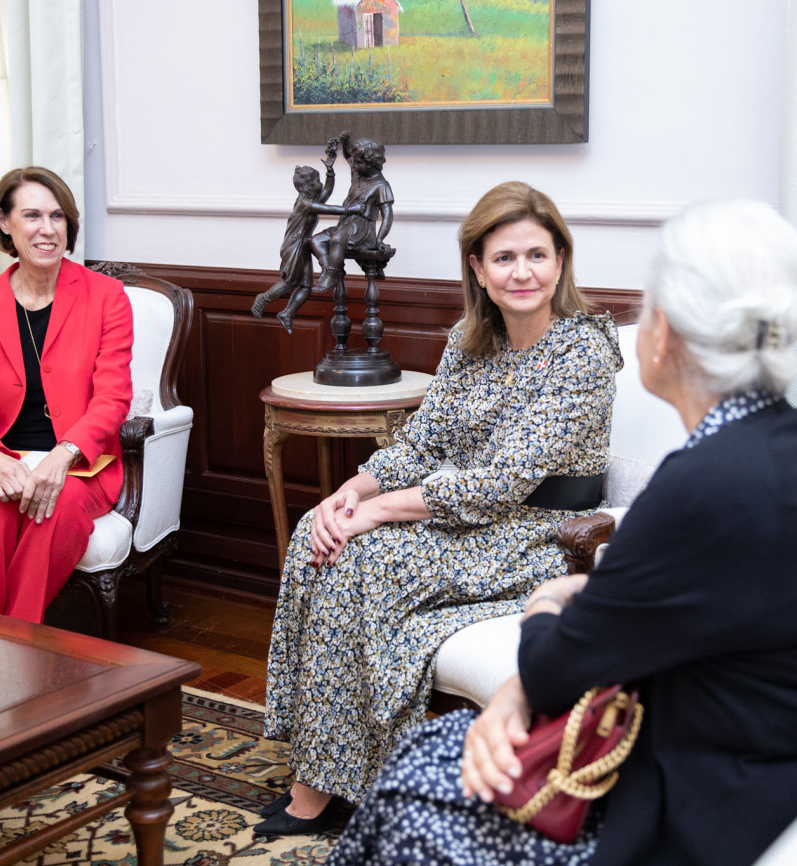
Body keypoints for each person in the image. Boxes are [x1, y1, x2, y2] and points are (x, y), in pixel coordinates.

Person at [326, 199, 797, 866]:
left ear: (667, 333)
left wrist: (548, 598)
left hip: (735, 803)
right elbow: (644, 618)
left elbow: (556, 666)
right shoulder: (777, 446)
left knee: (414, 795)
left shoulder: (703, 487)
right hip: (778, 764)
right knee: (430, 756)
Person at [259, 181, 622, 835]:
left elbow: (502, 483)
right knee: (319, 526)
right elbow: (423, 444)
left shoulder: (584, 350)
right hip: (466, 519)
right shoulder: (468, 340)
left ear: (561, 261)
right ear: (478, 270)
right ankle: (319, 753)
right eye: (504, 258)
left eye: (537, 255)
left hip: (541, 534)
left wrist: (381, 513)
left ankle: (336, 785)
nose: (522, 272)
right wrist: (354, 492)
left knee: (365, 556)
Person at [0, 166, 133, 623]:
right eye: (32, 215)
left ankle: (7, 642)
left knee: (55, 507)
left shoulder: (107, 297)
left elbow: (113, 398)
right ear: (4, 222)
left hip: (80, 464)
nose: (47, 229)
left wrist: (63, 456)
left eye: (57, 216)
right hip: (1, 456)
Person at [251, 134, 369, 332]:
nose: (320, 183)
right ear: (308, 186)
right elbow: (329, 209)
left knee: (306, 287)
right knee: (290, 283)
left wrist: (330, 172)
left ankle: (287, 313)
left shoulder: (311, 199)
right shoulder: (305, 203)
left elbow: (327, 193)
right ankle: (263, 299)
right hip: (294, 245)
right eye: (317, 180)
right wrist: (352, 209)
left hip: (303, 244)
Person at [309, 134, 394, 295]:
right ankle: (328, 269)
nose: (354, 165)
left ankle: (331, 275)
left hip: (363, 230)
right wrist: (345, 142)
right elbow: (349, 156)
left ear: (371, 163)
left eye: (359, 162)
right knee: (316, 240)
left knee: (337, 239)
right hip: (346, 225)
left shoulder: (381, 186)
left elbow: (388, 215)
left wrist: (380, 238)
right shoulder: (358, 176)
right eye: (355, 162)